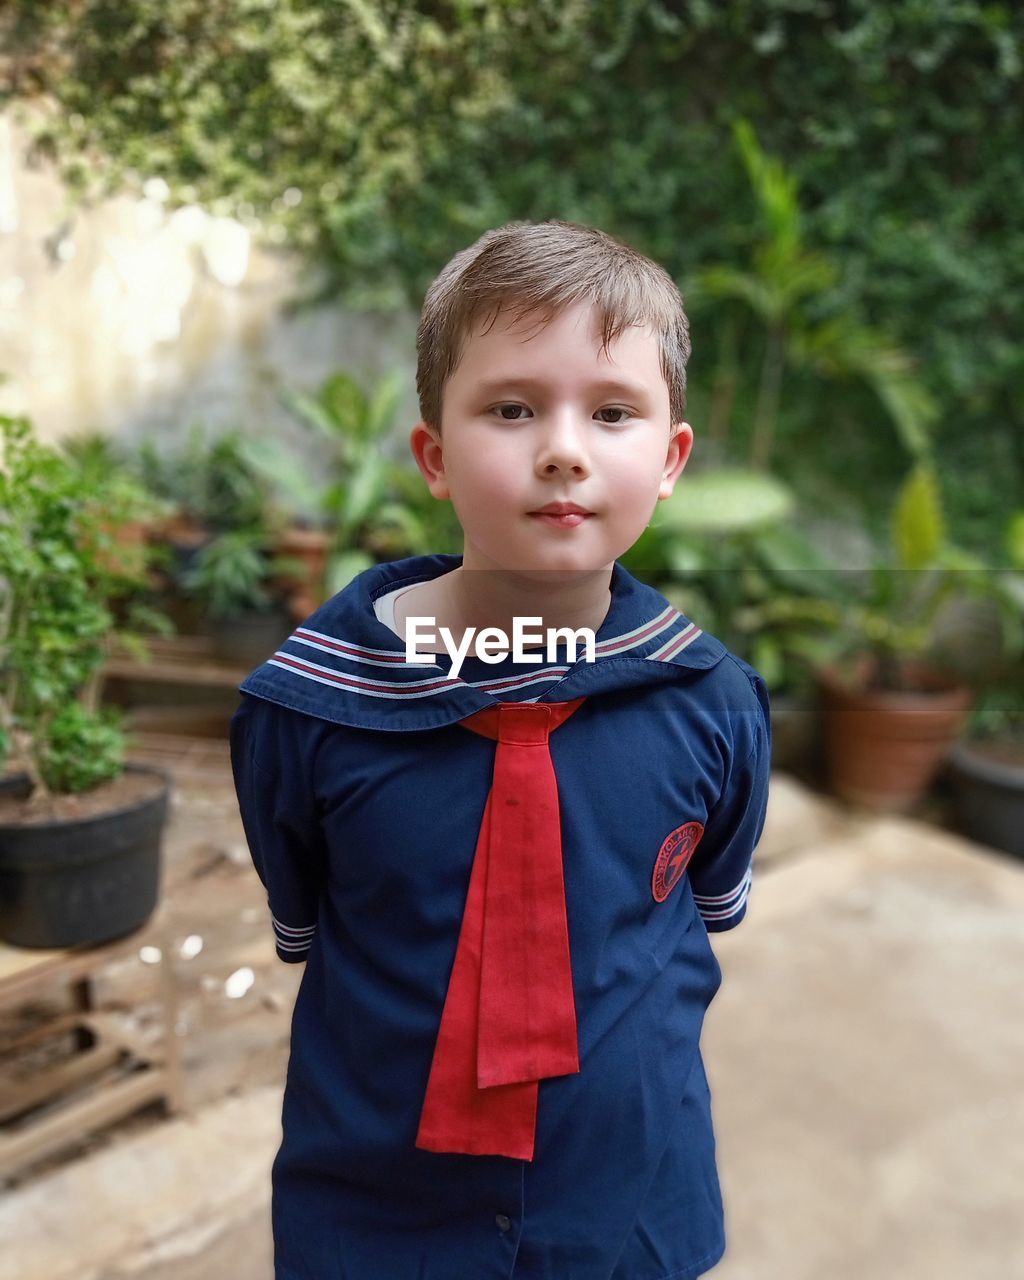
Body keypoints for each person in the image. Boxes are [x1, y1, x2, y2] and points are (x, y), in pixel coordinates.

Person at [230, 219, 772, 1280]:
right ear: (433, 453)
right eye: (511, 407)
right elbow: (307, 911)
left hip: (629, 1192)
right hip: (375, 1204)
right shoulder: (305, 711)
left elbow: (703, 904)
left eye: (611, 411)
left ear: (668, 461)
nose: (563, 446)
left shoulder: (713, 704)